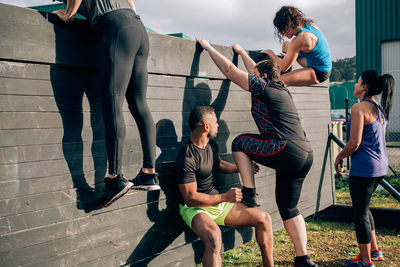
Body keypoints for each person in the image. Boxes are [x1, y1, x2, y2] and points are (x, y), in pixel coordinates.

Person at [197, 39, 316, 267]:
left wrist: (208, 47)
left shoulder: (262, 85)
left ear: (260, 77)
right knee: (289, 207)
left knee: (240, 143)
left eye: (255, 74)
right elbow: (255, 69)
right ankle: (303, 258)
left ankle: (250, 193)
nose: (252, 76)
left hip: (285, 148)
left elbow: (230, 71)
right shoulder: (280, 87)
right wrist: (241, 51)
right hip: (304, 153)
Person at [53, 0, 160, 208]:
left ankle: (114, 178)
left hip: (115, 27)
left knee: (112, 102)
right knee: (139, 103)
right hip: (137, 27)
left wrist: (68, 15)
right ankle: (149, 173)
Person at [176, 106, 274, 267]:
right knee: (214, 237)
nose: (218, 125)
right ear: (206, 127)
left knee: (264, 219)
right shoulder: (186, 157)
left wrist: (242, 167)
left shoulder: (211, 145)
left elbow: (219, 164)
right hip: (194, 209)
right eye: (215, 122)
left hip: (217, 203)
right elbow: (190, 198)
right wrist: (224, 197)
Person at [334, 70, 394, 267]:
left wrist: (339, 156)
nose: (354, 85)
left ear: (364, 86)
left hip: (364, 169)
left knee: (359, 213)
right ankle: (374, 251)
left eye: (357, 82)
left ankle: (366, 262)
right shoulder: (378, 106)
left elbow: (354, 143)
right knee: (364, 208)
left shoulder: (359, 108)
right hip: (380, 167)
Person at [262, 6, 332, 87]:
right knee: (286, 44)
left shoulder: (300, 39)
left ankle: (286, 70)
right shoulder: (308, 24)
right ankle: (287, 63)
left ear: (288, 25)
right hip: (312, 61)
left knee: (277, 82)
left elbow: (283, 67)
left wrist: (270, 53)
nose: (282, 34)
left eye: (281, 30)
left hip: (320, 72)